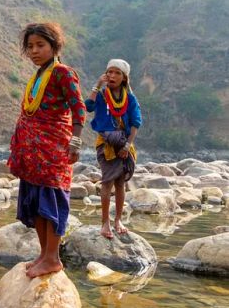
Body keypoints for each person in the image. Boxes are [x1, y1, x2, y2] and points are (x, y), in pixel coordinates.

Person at [8, 22, 86, 278]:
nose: (34, 51)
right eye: (30, 46)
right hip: (33, 154)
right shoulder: (39, 75)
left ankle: (53, 258)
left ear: (55, 46)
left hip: (53, 151)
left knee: (51, 200)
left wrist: (75, 142)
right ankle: (43, 255)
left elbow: (78, 109)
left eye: (40, 45)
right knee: (37, 201)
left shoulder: (63, 73)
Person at [86, 59, 142, 239]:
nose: (112, 75)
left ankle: (118, 220)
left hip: (124, 145)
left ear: (124, 77)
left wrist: (127, 145)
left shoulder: (130, 98)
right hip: (106, 144)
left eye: (117, 73)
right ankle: (105, 222)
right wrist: (97, 85)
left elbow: (135, 123)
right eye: (109, 72)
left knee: (120, 183)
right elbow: (88, 107)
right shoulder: (102, 95)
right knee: (107, 181)